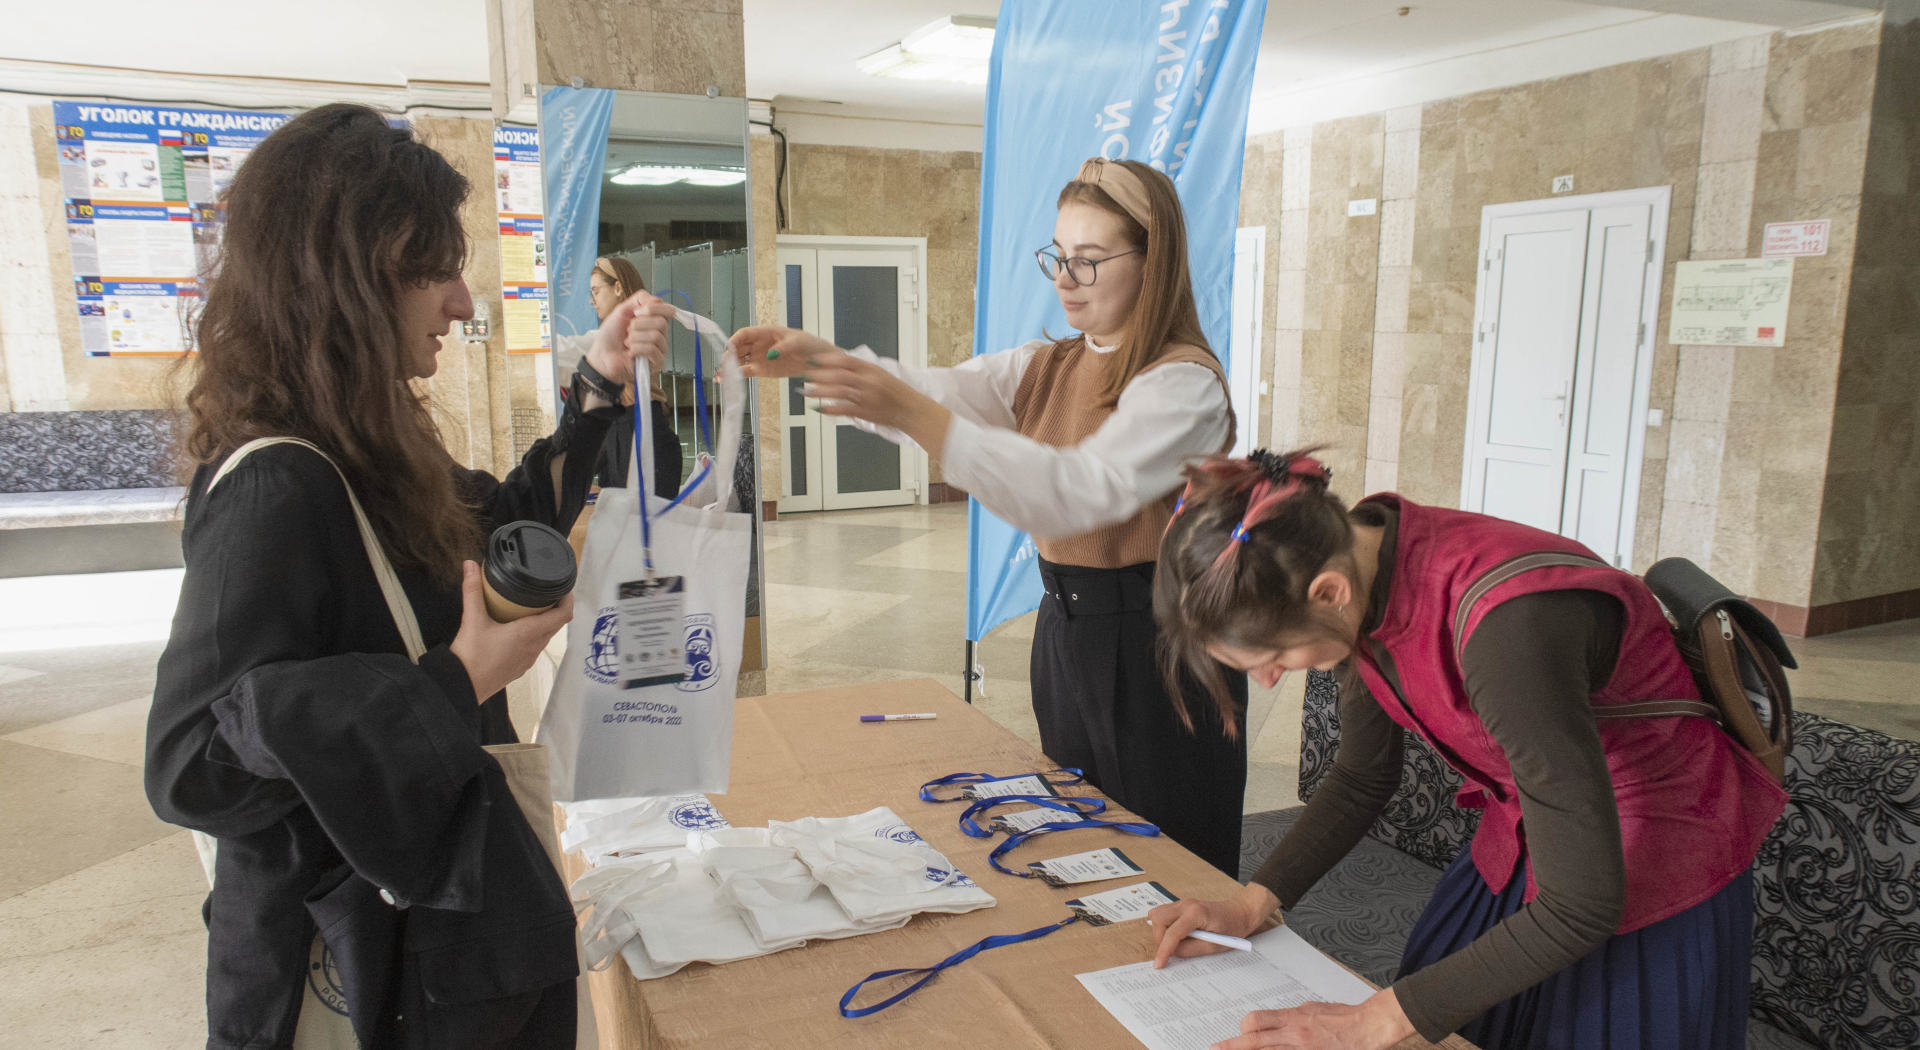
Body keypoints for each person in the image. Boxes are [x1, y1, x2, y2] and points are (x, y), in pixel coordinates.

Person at [144, 103, 672, 1048]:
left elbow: (494, 534)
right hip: (358, 961)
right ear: (344, 280)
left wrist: (595, 390)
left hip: (437, 941)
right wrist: (454, 681)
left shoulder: (371, 438)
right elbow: (191, 766)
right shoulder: (276, 485)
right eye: (433, 270)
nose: (463, 304)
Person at [1145, 449, 1788, 1050]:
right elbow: (1364, 776)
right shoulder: (1350, 562)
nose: (1267, 680)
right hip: (1536, 827)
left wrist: (1372, 1021)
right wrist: (1253, 903)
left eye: (1273, 656)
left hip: (1652, 852)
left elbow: (1582, 904)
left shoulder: (1509, 627)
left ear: (1329, 592)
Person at [731, 158, 1246, 874]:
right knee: (1087, 837)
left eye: (1089, 260)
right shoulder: (1048, 364)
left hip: (1158, 645)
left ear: (1152, 263)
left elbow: (1074, 491)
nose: (1064, 278)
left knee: (1175, 852)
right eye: (1058, 257)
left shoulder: (1184, 382)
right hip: (1067, 629)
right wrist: (822, 361)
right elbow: (942, 390)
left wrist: (911, 410)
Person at [555, 254, 684, 498]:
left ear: (617, 288)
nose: (592, 300)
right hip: (622, 433)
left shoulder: (626, 335)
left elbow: (563, 354)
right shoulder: (618, 335)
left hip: (642, 437)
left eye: (596, 291)